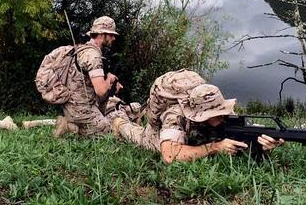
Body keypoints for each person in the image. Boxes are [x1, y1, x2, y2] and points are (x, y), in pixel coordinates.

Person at [112, 70, 284, 164]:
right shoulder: (175, 115)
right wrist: (214, 147)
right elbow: (169, 156)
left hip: (195, 130)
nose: (222, 117)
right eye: (215, 115)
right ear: (199, 115)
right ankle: (120, 123)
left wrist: (264, 144)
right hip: (161, 127)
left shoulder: (224, 114)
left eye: (221, 112)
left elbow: (246, 134)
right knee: (145, 140)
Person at [53, 16, 134, 137]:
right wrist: (109, 79)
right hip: (81, 109)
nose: (114, 38)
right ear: (101, 34)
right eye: (110, 35)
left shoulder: (82, 49)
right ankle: (69, 126)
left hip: (74, 105)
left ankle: (73, 123)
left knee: (106, 121)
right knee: (108, 131)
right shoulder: (93, 56)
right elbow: (101, 91)